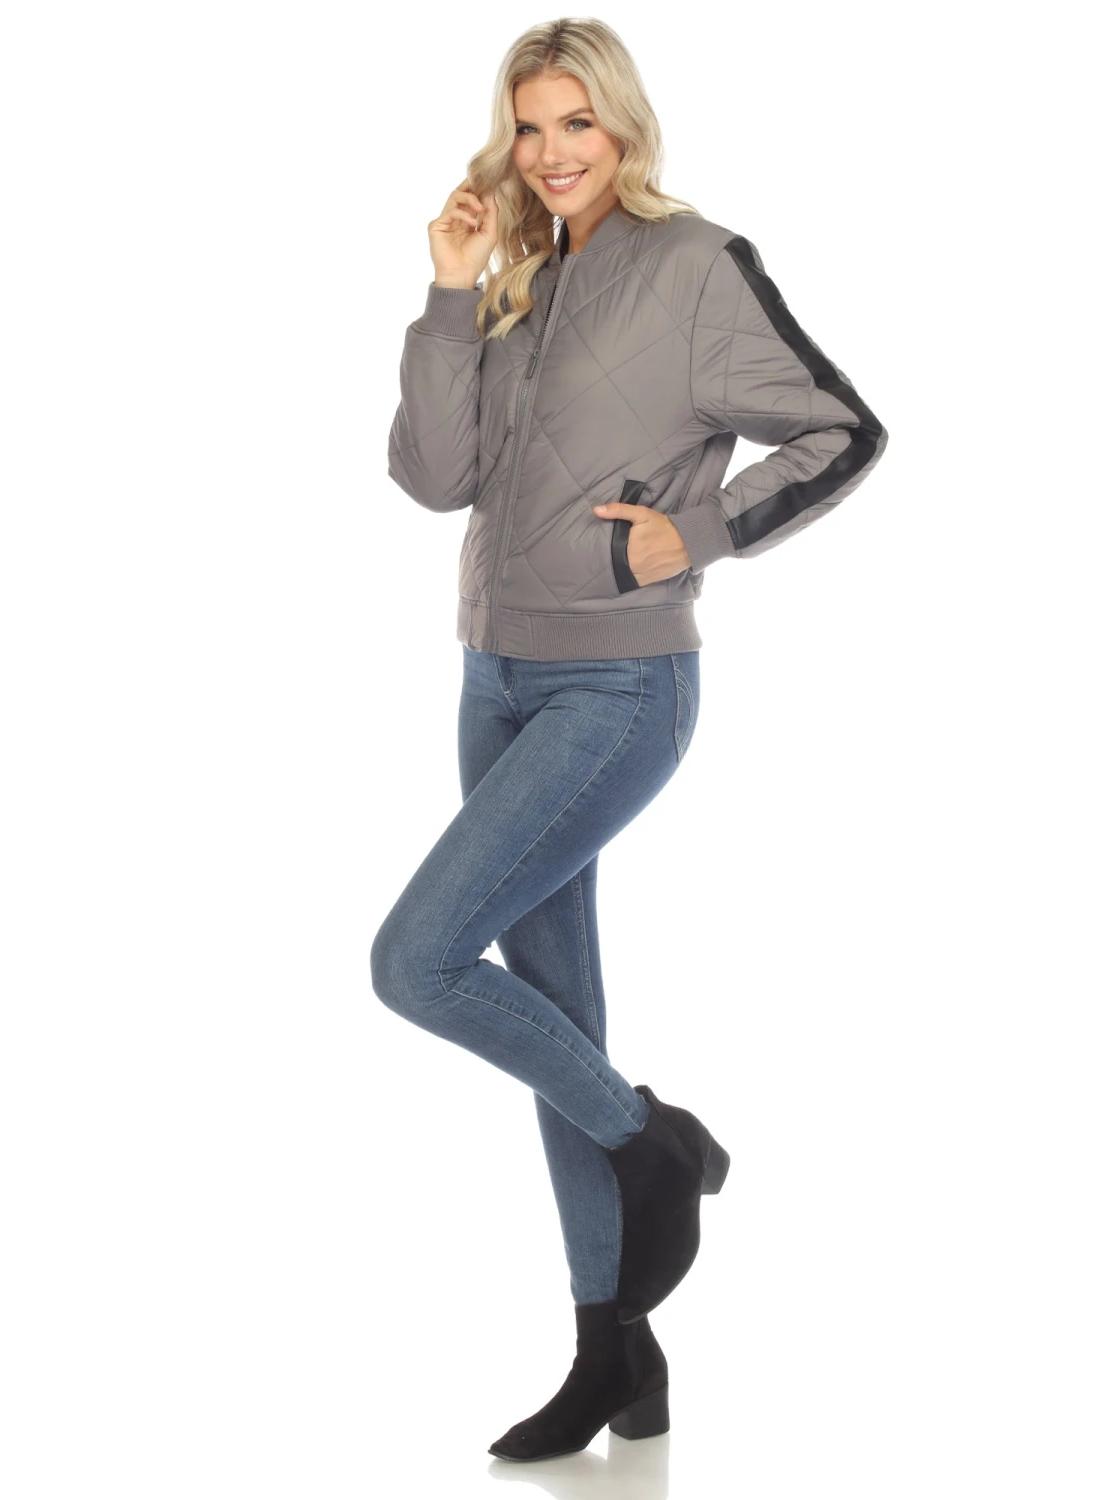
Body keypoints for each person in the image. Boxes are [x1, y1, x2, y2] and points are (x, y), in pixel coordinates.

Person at [371, 17, 889, 1463]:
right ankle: (617, 1352)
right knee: (553, 1017)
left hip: (618, 687)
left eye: (576, 124)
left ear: (624, 127)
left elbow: (843, 432)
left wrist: (695, 534)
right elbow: (433, 477)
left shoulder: (696, 265)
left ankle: (653, 1140)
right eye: (529, 126)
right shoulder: (518, 273)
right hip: (494, 678)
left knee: (414, 962)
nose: (550, 154)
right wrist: (449, 292)